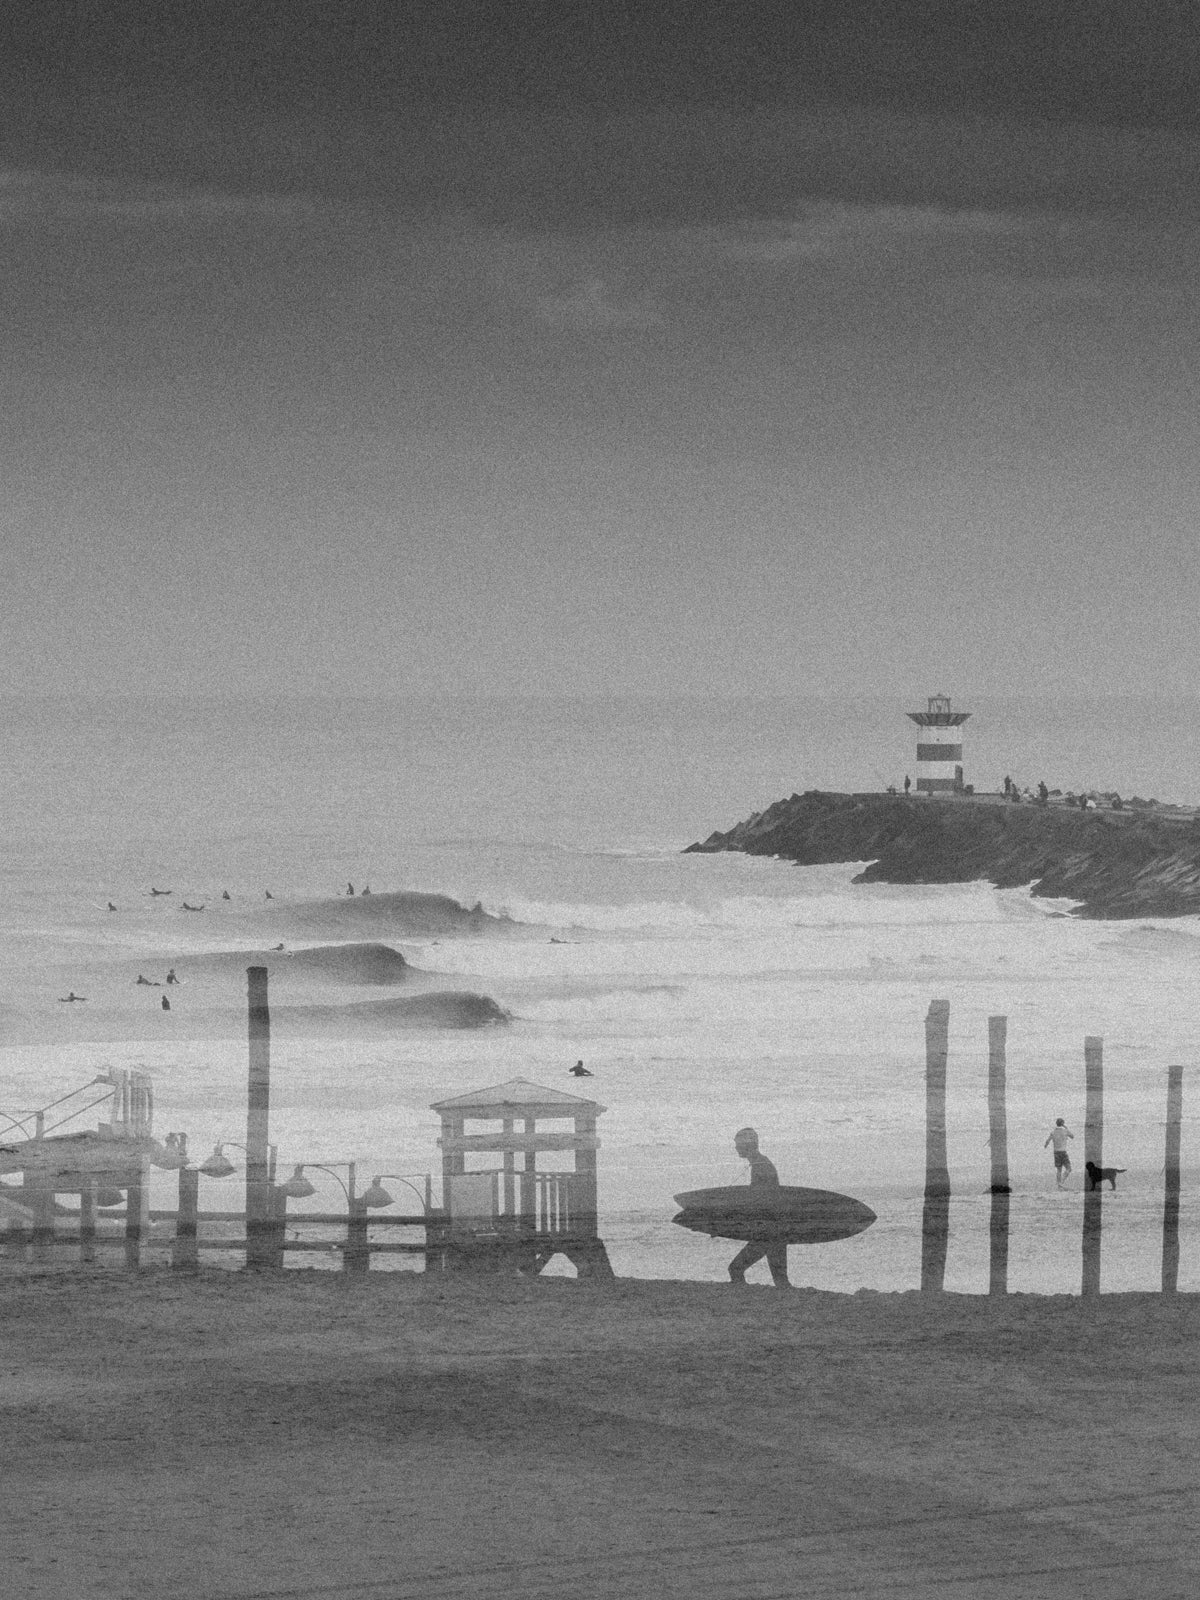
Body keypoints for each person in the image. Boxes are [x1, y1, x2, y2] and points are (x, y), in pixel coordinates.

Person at [728, 1128, 790, 1287]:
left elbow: (760, 1203)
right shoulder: (761, 1164)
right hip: (774, 1231)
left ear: (747, 1145)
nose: (735, 1148)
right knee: (781, 1281)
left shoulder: (761, 1167)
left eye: (737, 1144)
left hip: (767, 1233)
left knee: (735, 1269)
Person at [1044, 1118, 1074, 1186]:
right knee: (1069, 1169)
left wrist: (1045, 1146)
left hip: (1056, 1152)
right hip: (1063, 1152)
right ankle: (1062, 1182)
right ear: (1063, 1123)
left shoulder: (1053, 1132)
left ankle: (1058, 1183)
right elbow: (1072, 1136)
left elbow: (1047, 1141)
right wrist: (1066, 1128)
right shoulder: (1065, 1131)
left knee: (1059, 1170)